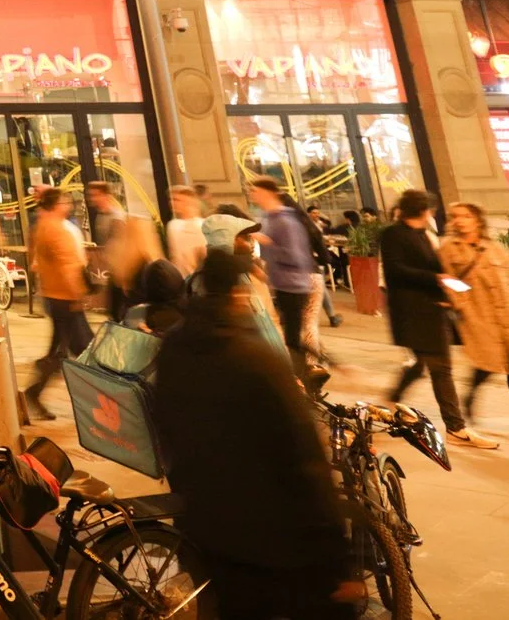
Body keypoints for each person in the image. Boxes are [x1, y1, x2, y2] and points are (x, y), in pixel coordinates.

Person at [151, 248, 362, 619]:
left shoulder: (173, 348)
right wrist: (337, 556)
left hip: (209, 533)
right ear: (237, 294)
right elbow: (305, 460)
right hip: (276, 544)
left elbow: (164, 425)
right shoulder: (256, 360)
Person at [380, 188, 494, 450]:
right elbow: (396, 270)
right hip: (414, 312)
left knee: (423, 365)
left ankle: (393, 397)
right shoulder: (393, 234)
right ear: (425, 211)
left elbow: (432, 268)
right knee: (441, 370)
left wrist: (446, 285)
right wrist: (437, 279)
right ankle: (456, 427)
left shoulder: (423, 235)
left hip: (431, 310)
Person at [439, 201, 509, 442]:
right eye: (455, 216)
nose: (460, 220)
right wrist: (464, 302)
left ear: (477, 219)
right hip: (480, 314)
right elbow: (446, 279)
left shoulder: (495, 247)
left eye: (465, 216)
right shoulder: (449, 248)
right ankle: (471, 394)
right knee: (488, 362)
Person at [23, 188, 92, 422]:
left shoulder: (40, 228)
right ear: (56, 204)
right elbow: (68, 267)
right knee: (84, 352)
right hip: (66, 299)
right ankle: (99, 405)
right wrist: (78, 295)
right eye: (64, 200)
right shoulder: (57, 230)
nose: (68, 204)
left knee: (63, 351)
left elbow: (36, 263)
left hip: (54, 297)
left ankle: (35, 392)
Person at [249, 177, 321, 375]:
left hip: (293, 286)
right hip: (282, 284)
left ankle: (304, 376)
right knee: (290, 336)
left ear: (267, 193)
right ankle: (304, 374)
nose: (252, 195)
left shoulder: (285, 221)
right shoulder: (268, 218)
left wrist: (267, 242)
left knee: (292, 337)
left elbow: (297, 257)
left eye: (255, 191)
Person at [83, 181, 131, 321]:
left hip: (120, 272)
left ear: (104, 195)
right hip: (112, 271)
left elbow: (121, 245)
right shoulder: (101, 215)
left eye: (95, 195)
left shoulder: (116, 216)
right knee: (114, 310)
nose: (92, 199)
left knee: (119, 311)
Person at [164, 185, 206, 278]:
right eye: (171, 199)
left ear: (188, 201)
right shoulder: (173, 226)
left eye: (176, 200)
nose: (172, 203)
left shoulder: (201, 225)